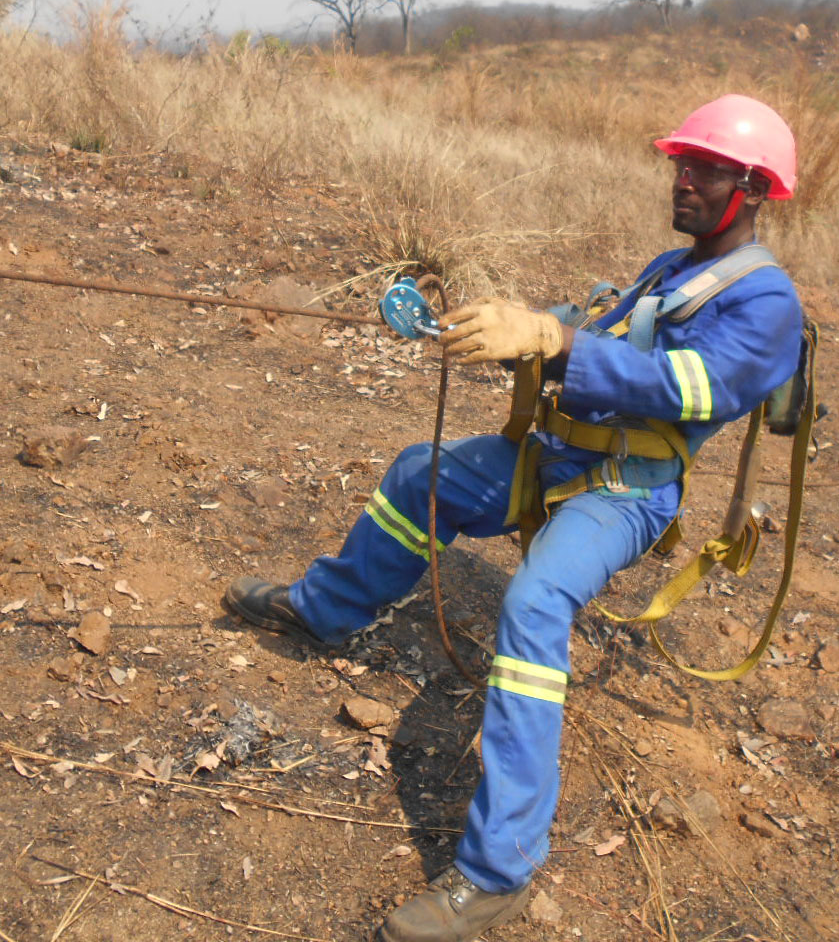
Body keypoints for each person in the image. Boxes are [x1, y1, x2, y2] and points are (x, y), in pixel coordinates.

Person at [224, 93, 805, 942]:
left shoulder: (765, 304)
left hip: (627, 489)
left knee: (533, 605)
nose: (681, 180)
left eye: (703, 169)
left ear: (751, 188)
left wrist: (556, 342)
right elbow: (606, 332)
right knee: (422, 474)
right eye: (679, 164)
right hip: (561, 457)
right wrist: (507, 326)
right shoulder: (672, 267)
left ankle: (498, 875)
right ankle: (322, 610)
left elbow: (694, 387)